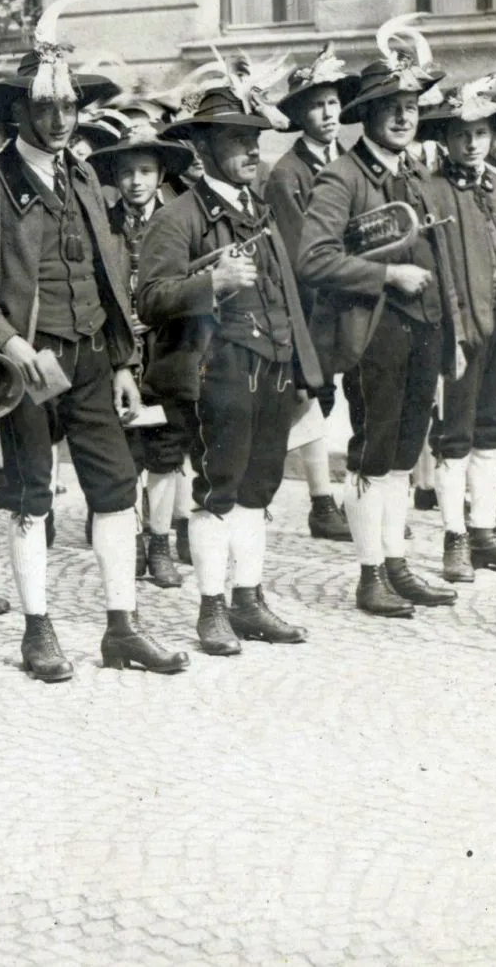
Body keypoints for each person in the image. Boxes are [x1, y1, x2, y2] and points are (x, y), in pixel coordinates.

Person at [0, 9, 188, 683]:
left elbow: (107, 274)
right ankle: (38, 630)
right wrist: (6, 343)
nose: (59, 119)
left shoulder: (83, 176)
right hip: (28, 364)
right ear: (17, 111)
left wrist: (119, 360)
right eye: (44, 107)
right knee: (29, 494)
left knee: (114, 490)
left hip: (88, 358)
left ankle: (122, 627)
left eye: (68, 106)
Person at [139, 67, 323, 652]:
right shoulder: (177, 217)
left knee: (260, 487)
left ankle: (249, 599)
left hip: (270, 365)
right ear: (202, 147)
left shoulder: (259, 207)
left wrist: (302, 370)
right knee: (219, 488)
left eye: (254, 137)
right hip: (210, 372)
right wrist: (209, 285)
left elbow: (285, 292)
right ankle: (211, 609)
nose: (251, 148)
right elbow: (148, 299)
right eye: (235, 138)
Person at [296, 17, 458, 619]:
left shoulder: (416, 173)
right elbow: (312, 258)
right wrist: (386, 276)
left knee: (403, 453)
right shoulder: (342, 176)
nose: (404, 116)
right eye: (390, 106)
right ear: (366, 113)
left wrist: (452, 334)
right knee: (372, 451)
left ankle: (396, 564)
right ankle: (370, 575)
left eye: (411, 105)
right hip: (373, 333)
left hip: (423, 328)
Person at [417, 75, 496, 582]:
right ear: (446, 138)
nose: (473, 144)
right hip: (462, 330)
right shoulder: (431, 191)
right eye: (463, 135)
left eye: (483, 134)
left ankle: (486, 532)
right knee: (456, 433)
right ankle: (454, 538)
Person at [87, 112, 197, 589]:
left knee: (167, 450)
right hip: (120, 349)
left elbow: (189, 282)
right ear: (115, 176)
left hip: (166, 344)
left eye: (146, 171)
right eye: (127, 172)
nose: (136, 182)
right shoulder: (104, 224)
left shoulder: (177, 221)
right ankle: (130, 536)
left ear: (161, 175)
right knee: (125, 449)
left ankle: (160, 540)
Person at [262, 46, 353, 543]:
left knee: (342, 397)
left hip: (354, 299)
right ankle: (320, 501)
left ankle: (354, 494)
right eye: (317, 106)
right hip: (312, 304)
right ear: (299, 115)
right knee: (310, 395)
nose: (329, 114)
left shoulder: (349, 161)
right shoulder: (287, 174)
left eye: (334, 103)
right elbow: (301, 251)